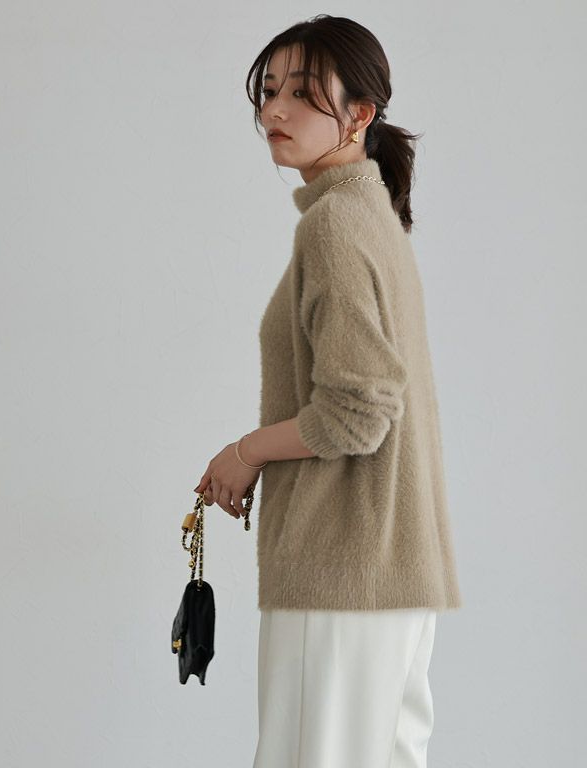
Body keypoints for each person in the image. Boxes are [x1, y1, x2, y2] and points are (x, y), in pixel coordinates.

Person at [193, 13, 463, 768]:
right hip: (391, 571)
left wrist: (245, 452)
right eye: (269, 90)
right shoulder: (370, 215)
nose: (275, 110)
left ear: (360, 113)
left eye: (303, 93)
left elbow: (359, 412)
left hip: (341, 569)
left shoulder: (336, 226)